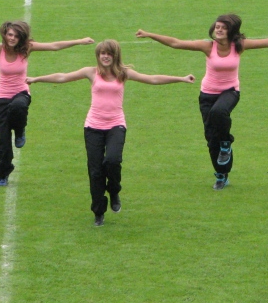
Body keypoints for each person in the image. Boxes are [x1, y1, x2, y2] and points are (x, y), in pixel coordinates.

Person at [27, 39, 194, 227]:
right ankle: (99, 212)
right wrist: (36, 79)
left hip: (116, 125)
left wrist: (181, 78)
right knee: (95, 171)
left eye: (109, 53)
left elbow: (152, 79)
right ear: (98, 56)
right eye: (102, 53)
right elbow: (62, 77)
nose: (105, 57)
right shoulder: (91, 72)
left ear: (115, 56)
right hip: (93, 127)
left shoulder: (123, 73)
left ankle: (114, 191)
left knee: (113, 161)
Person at [136, 15, 268, 190]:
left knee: (218, 112)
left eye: (223, 28)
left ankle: (226, 143)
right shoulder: (208, 46)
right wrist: (150, 34)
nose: (218, 30)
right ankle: (221, 174)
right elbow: (176, 43)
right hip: (207, 95)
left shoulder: (239, 45)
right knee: (212, 140)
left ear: (231, 31)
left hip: (230, 91)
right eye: (217, 26)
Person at [0, 21, 94, 187]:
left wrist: (79, 41)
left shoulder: (27, 48)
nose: (12, 38)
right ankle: (3, 174)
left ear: (21, 37)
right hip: (1, 98)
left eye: (16, 36)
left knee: (18, 106)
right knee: (3, 143)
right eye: (10, 35)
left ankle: (20, 130)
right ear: (5, 35)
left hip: (21, 93)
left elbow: (54, 46)